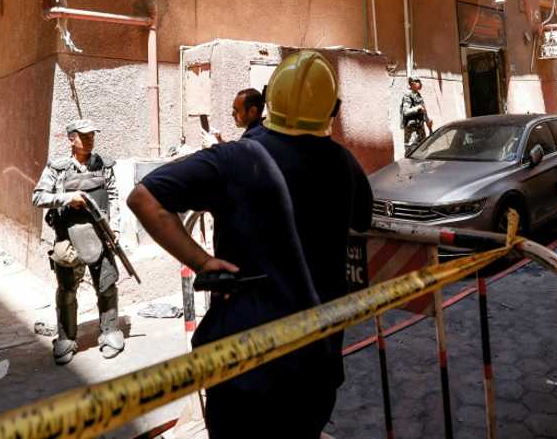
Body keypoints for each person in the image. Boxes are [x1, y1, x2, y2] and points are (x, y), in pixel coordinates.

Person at [128, 50, 373, 439]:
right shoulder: (346, 165)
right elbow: (361, 225)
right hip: (315, 366)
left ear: (269, 101)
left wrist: (202, 261)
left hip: (242, 367)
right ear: (334, 110)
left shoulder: (234, 159)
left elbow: (144, 198)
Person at [31, 119, 124, 365]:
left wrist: (115, 227)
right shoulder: (58, 169)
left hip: (100, 234)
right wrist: (67, 198)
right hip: (69, 237)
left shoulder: (103, 165)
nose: (90, 139)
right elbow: (38, 197)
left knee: (107, 285)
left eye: (92, 135)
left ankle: (110, 332)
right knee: (66, 290)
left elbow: (113, 195)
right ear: (71, 139)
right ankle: (66, 338)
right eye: (84, 136)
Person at [400, 76, 432, 153]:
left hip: (420, 131)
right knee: (412, 153)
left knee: (423, 152)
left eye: (419, 82)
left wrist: (429, 125)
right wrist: (417, 108)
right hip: (412, 132)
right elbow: (405, 111)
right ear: (412, 83)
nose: (420, 83)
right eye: (417, 81)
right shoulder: (408, 96)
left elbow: (424, 112)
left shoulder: (419, 96)